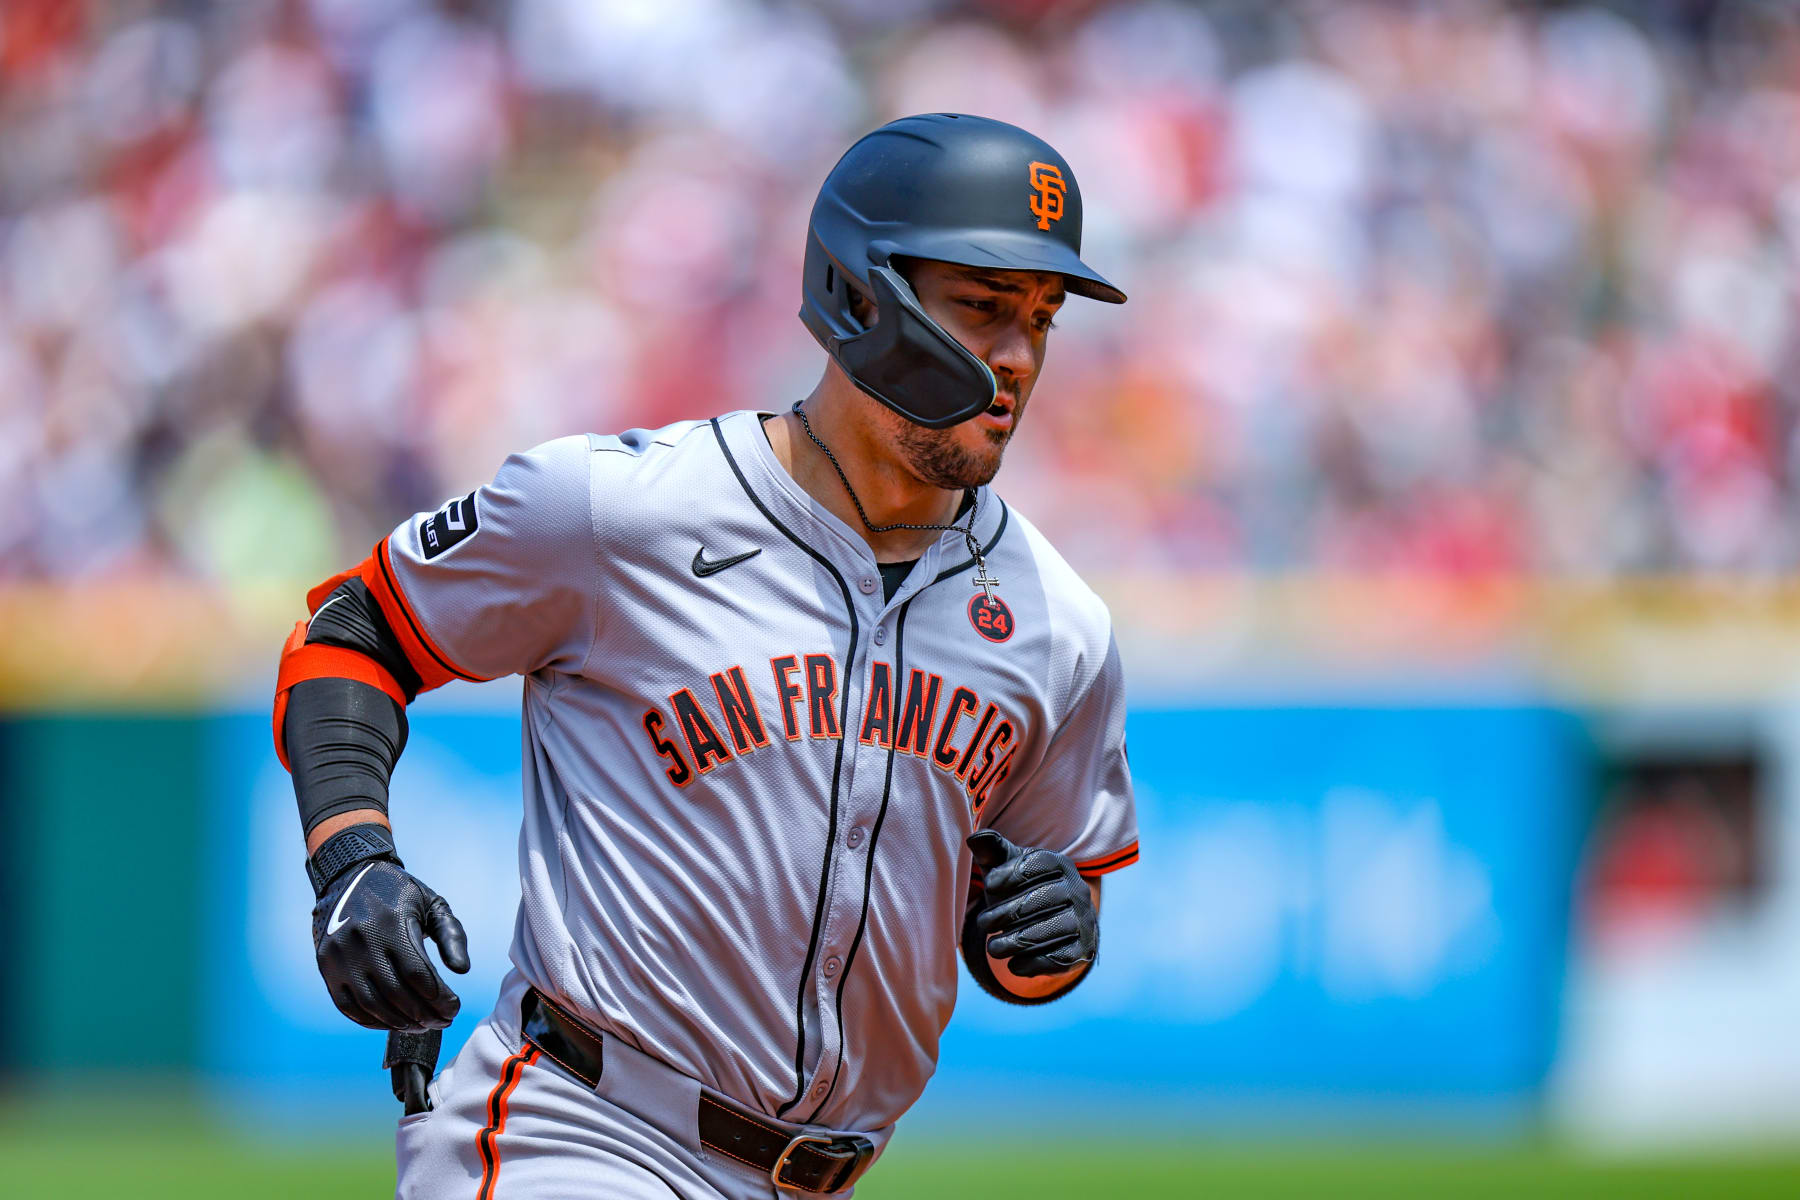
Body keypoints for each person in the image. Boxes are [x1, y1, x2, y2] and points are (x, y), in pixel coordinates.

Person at [273, 113, 1139, 1199]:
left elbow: (1043, 925)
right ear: (862, 297)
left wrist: (1056, 930)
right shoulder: (620, 511)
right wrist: (352, 859)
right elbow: (354, 629)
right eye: (983, 308)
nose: (1018, 354)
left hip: (819, 1177)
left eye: (1043, 319)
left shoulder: (1058, 623)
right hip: (578, 1132)